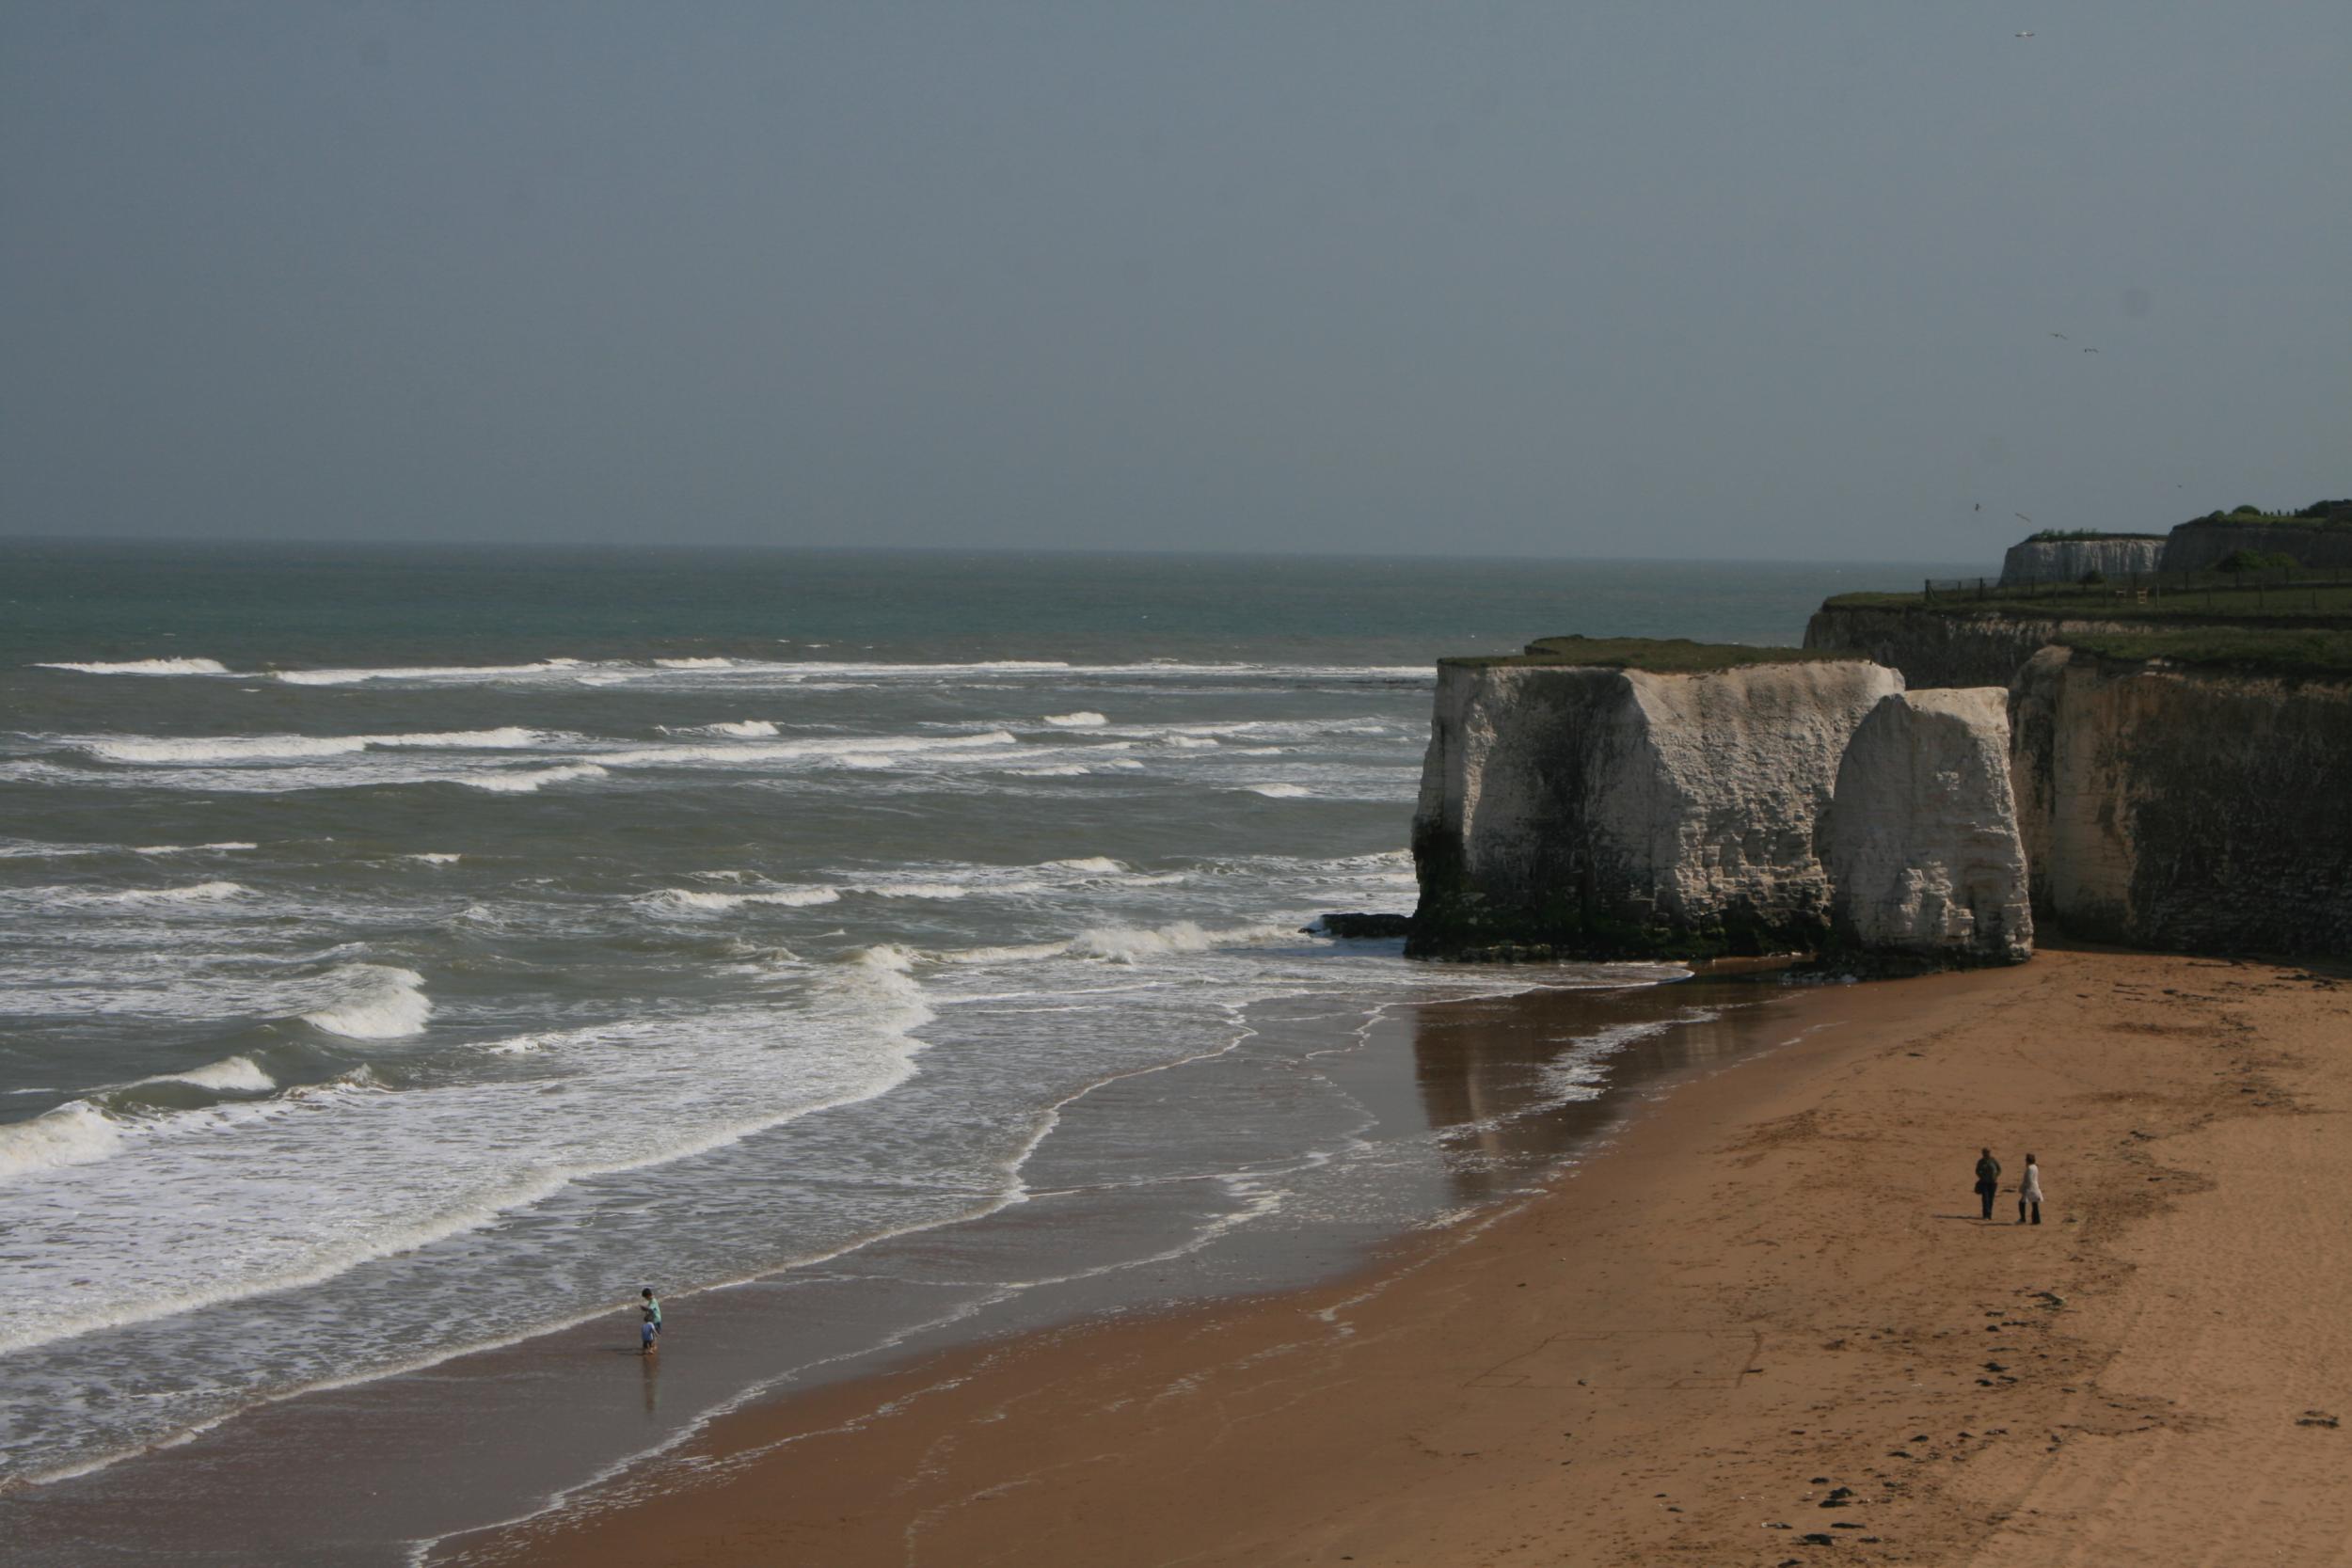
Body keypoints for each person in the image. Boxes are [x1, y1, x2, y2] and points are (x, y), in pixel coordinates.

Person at [1974, 1148, 2002, 1221]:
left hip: (1993, 1183)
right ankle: (1985, 1215)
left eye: (1987, 1152)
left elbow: (1999, 1169)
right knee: (1985, 1199)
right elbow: (1977, 1171)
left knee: (1991, 1199)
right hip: (1984, 1183)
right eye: (1984, 1153)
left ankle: (1989, 1214)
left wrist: (1995, 1176)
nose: (1986, 1154)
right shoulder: (1981, 1162)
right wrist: (1981, 1176)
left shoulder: (1993, 1160)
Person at [2017, 1155, 2043, 1226]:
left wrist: (2024, 1188)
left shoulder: (2030, 1168)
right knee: (2034, 1204)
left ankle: (2023, 1219)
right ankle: (2036, 1220)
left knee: (2022, 1203)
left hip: (2030, 1188)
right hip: (2035, 1187)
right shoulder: (2035, 1167)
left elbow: (2029, 1180)